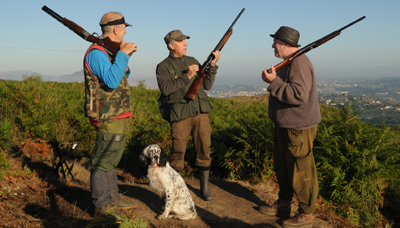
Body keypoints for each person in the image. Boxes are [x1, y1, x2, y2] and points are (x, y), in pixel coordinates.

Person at [259, 26, 321, 228]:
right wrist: (273, 79)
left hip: (298, 128)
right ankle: (284, 204)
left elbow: (298, 95)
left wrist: (273, 81)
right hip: (285, 125)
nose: (272, 46)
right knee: (284, 167)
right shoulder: (290, 62)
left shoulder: (299, 63)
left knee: (302, 171)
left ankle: (306, 215)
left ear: (285, 44)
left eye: (275, 42)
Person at [156, 30, 220, 201]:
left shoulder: (193, 61)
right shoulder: (163, 67)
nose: (185, 44)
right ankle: (175, 191)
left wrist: (212, 66)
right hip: (180, 115)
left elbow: (206, 85)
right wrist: (187, 76)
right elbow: (166, 89)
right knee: (178, 154)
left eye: (185, 40)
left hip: (200, 112)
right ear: (171, 45)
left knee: (204, 149)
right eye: (181, 41)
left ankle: (204, 188)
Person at [83, 12, 137, 217]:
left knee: (112, 160)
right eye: (124, 28)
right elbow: (112, 81)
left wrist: (122, 57)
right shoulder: (96, 52)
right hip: (108, 116)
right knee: (102, 161)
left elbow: (124, 75)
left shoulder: (108, 52)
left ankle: (113, 197)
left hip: (119, 114)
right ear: (116, 29)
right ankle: (101, 206)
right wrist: (122, 55)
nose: (124, 32)